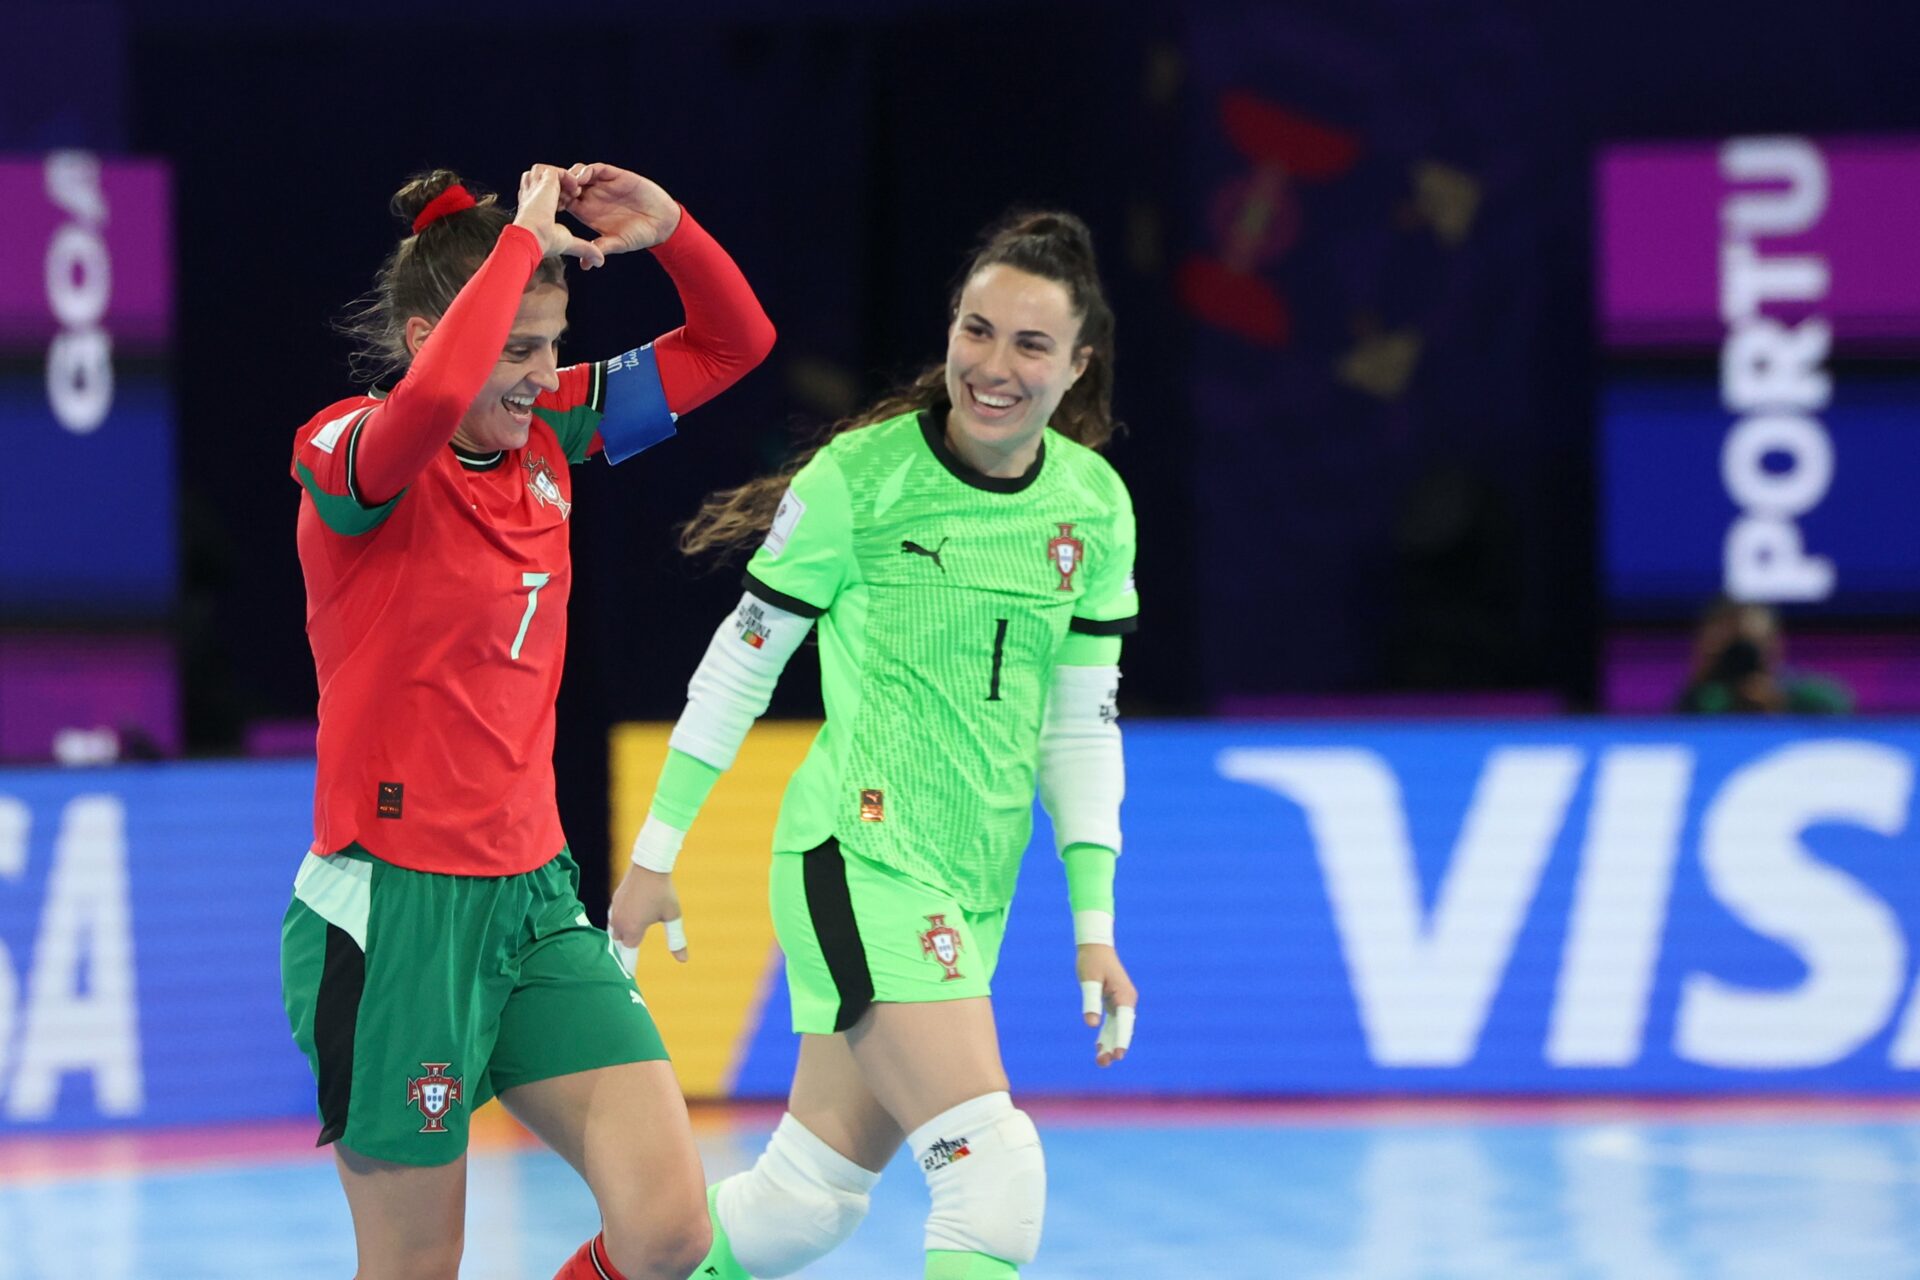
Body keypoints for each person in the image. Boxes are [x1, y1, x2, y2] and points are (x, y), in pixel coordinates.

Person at [610, 210, 1140, 1280]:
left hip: (971, 880)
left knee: (801, 1205)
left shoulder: (1095, 507)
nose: (993, 366)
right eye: (976, 330)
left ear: (1078, 365)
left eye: (1031, 344)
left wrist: (1095, 921)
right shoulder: (859, 481)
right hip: (857, 858)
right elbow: (738, 666)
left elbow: (1077, 725)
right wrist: (655, 853)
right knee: (995, 1181)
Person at [280, 161, 774, 1280]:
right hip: (395, 911)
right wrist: (513, 255)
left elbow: (734, 344)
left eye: (551, 342)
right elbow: (407, 430)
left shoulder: (551, 429)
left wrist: (673, 230)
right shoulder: (347, 450)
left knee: (669, 1228)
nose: (541, 374)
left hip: (534, 900)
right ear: (425, 339)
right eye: (515, 347)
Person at [1674, 596, 1852, 715]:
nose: (1741, 658)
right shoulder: (1704, 701)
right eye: (1732, 650)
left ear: (1776, 644)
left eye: (1751, 645)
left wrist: (1780, 707)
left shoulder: (1807, 696)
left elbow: (1842, 724)